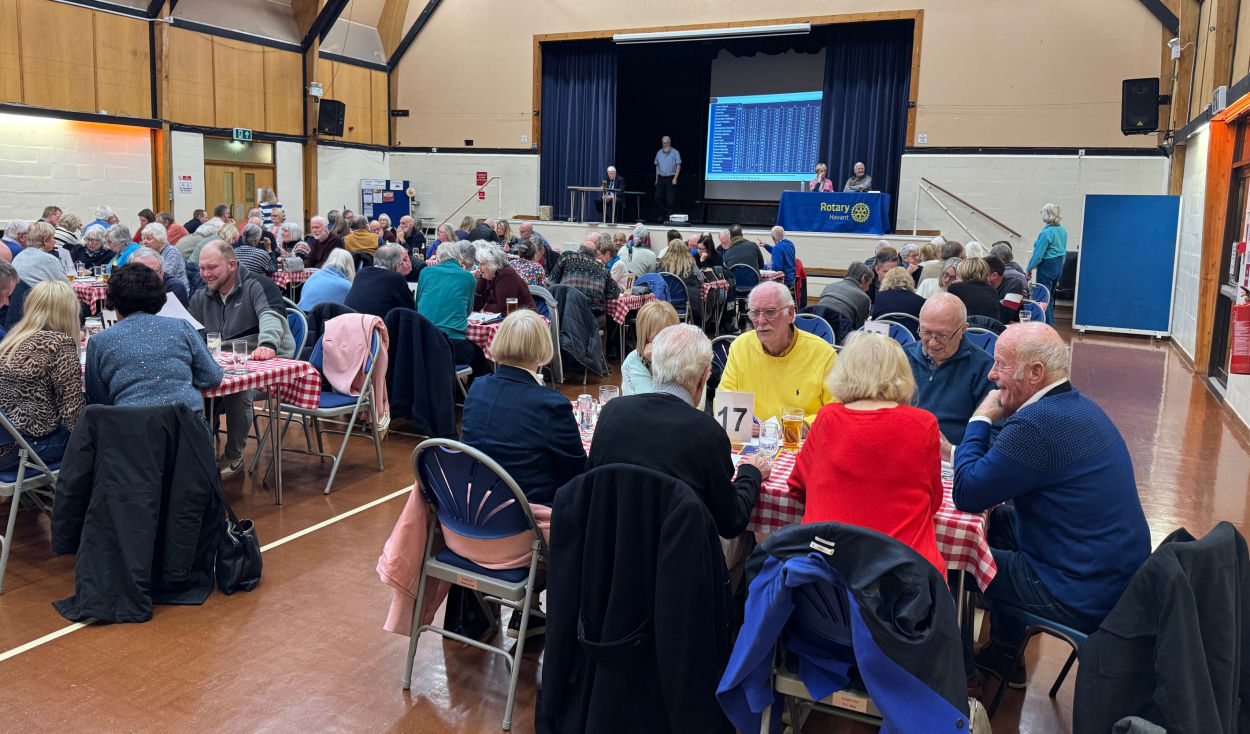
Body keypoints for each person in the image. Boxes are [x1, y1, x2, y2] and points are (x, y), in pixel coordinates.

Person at [953, 323, 1150, 688]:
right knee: (995, 525)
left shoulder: (1035, 425)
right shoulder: (1077, 405)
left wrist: (980, 417)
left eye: (1000, 364)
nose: (991, 375)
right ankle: (1006, 651)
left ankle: (958, 677)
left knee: (958, 559)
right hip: (1115, 577)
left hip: (1076, 594)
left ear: (1035, 372)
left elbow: (967, 492)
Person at [590, 324, 770, 539]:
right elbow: (731, 522)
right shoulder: (708, 433)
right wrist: (751, 473)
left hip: (610, 550)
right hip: (679, 561)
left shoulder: (612, 412)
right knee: (743, 541)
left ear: (654, 367)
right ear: (704, 378)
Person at [791, 331, 945, 572]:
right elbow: (933, 502)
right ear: (902, 374)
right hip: (903, 576)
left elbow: (798, 485)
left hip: (828, 572)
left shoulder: (827, 417)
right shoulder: (923, 424)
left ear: (845, 371)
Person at [460, 309, 585, 504]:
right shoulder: (551, 405)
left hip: (471, 506)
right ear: (543, 348)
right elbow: (576, 474)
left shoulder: (477, 387)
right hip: (524, 515)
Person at [190, 241, 293, 477]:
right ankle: (201, 451)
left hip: (265, 363)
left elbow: (271, 317)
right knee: (191, 385)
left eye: (212, 268)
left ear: (232, 265)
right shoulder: (200, 297)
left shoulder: (259, 285)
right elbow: (191, 331)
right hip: (224, 363)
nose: (205, 274)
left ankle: (234, 456)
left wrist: (267, 344)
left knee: (239, 392)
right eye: (202, 268)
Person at [86, 264, 222, 418]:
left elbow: (98, 397)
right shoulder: (181, 327)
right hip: (185, 428)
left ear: (114, 301)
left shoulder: (99, 341)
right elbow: (212, 377)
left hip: (130, 430)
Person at [720, 281, 836, 425]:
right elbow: (724, 400)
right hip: (752, 440)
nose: (761, 321)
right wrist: (745, 423)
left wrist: (804, 425)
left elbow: (836, 411)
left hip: (801, 441)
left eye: (770, 312)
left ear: (790, 313)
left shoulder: (823, 354)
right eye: (755, 313)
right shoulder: (740, 347)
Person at [0, 280, 84, 470]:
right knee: (100, 438)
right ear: (69, 311)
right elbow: (74, 416)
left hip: (7, 444)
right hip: (24, 451)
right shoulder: (59, 344)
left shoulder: (12, 339)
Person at [905, 293, 994, 448]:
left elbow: (993, 430)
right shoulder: (902, 357)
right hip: (903, 449)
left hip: (951, 459)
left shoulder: (985, 369)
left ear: (963, 330)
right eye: (926, 332)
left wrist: (957, 455)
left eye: (942, 336)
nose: (932, 342)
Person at [417, 243, 482, 372]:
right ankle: (467, 391)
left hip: (423, 341)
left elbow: (418, 304)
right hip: (453, 344)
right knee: (480, 357)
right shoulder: (468, 277)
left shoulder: (425, 272)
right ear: (460, 258)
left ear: (438, 258)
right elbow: (467, 312)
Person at [620, 300, 679, 396]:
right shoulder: (634, 364)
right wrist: (658, 363)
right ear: (646, 337)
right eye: (661, 336)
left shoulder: (682, 355)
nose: (669, 341)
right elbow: (652, 404)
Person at [341, 244, 414, 318]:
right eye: (401, 263)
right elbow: (410, 308)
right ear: (396, 265)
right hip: (372, 326)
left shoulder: (362, 272)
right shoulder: (395, 278)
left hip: (348, 322)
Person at [550, 242, 620, 318]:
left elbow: (551, 282)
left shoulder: (567, 257)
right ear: (595, 255)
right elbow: (615, 293)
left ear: (579, 251)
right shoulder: (602, 269)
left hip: (565, 313)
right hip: (592, 317)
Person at [1027, 203, 1067, 326]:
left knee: (1043, 298)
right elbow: (1064, 252)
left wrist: (1029, 268)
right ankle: (1050, 325)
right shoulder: (1062, 231)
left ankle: (1046, 326)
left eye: (1043, 213)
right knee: (1051, 297)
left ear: (1048, 214)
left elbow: (1038, 254)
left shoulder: (1047, 233)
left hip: (1047, 266)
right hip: (1058, 265)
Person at [474, 242, 534, 314]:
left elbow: (502, 308)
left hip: (524, 318)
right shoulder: (487, 275)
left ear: (493, 264)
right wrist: (478, 286)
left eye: (482, 264)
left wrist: (485, 307)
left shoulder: (507, 275)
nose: (479, 267)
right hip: (504, 319)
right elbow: (475, 306)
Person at [656, 238, 704, 325]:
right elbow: (701, 280)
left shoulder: (661, 265)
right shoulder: (690, 264)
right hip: (686, 304)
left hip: (664, 304)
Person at [818, 261, 873, 329]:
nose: (868, 288)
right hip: (840, 332)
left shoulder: (829, 286)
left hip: (818, 328)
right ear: (863, 278)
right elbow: (860, 329)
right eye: (869, 284)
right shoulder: (864, 298)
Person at [13, 222, 68, 287]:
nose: (55, 241)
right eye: (53, 237)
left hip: (19, 296)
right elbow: (66, 287)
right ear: (45, 241)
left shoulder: (19, 256)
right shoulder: (49, 260)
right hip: (37, 296)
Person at [140, 222, 188, 288]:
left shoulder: (171, 252)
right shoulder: (151, 252)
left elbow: (163, 276)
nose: (145, 242)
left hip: (174, 290)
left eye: (149, 239)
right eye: (144, 239)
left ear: (160, 239)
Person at [985, 254, 1027, 323]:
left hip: (1010, 331)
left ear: (994, 275)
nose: (978, 276)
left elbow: (1005, 317)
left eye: (982, 273)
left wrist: (986, 290)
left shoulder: (1014, 285)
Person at [653, 136, 682, 222]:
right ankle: (662, 213)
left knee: (670, 200)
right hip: (661, 178)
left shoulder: (675, 152)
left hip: (671, 178)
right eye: (663, 143)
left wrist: (675, 178)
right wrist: (656, 179)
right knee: (657, 198)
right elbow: (657, 166)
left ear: (669, 143)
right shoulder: (659, 153)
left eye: (667, 143)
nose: (665, 145)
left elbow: (678, 166)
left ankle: (669, 216)